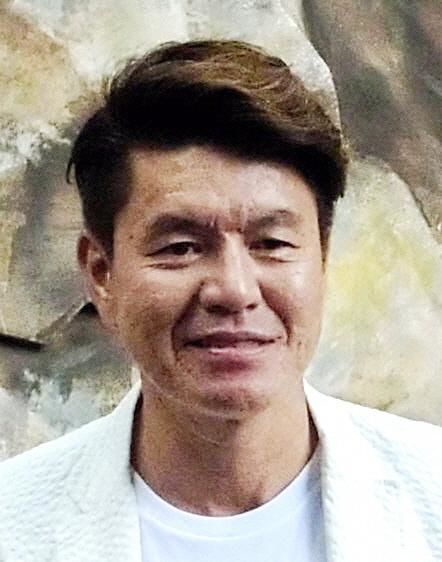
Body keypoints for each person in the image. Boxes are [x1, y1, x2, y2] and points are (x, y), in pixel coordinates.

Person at [0, 39, 441, 562]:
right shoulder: (14, 523)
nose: (235, 290)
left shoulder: (430, 494)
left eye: (271, 243)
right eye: (181, 247)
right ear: (102, 274)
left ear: (322, 259)